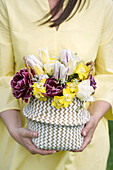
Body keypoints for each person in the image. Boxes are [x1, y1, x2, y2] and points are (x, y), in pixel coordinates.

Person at [0, 0, 113, 169]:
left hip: (83, 152)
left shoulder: (103, 4)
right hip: (22, 144)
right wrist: (15, 128)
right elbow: (2, 75)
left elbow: (108, 74)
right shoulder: (8, 3)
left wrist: (93, 120)